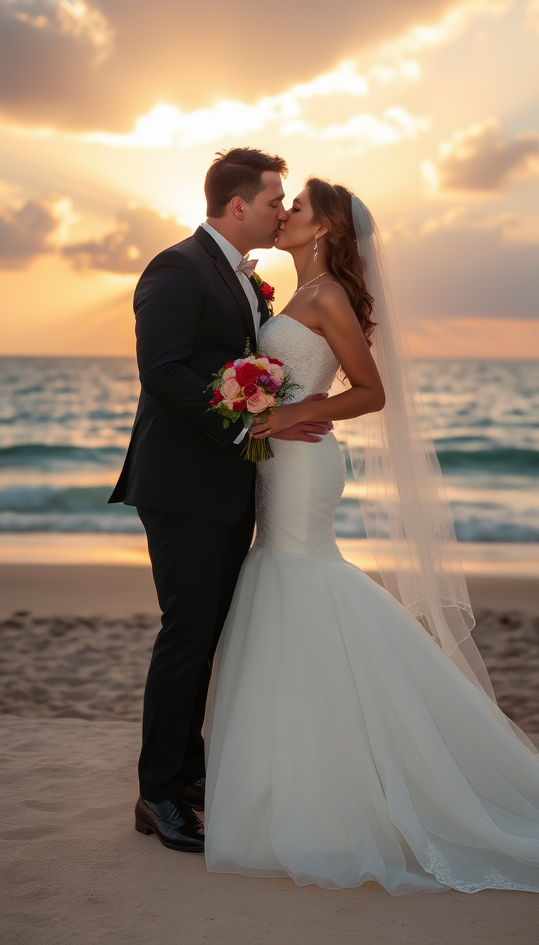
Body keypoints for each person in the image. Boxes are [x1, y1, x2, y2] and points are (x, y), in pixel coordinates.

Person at [203, 178, 539, 892]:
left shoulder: (329, 296)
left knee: (302, 577)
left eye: (298, 209)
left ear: (326, 231)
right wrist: (262, 407)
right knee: (284, 579)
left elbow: (372, 391)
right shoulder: (294, 293)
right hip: (281, 458)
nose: (285, 216)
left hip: (304, 461)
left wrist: (288, 413)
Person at [109, 149, 332, 852]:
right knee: (186, 635)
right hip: (181, 485)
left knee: (210, 634)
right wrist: (245, 421)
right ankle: (157, 794)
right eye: (274, 200)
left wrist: (276, 412)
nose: (281, 211)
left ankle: (192, 772)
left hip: (231, 483)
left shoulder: (244, 279)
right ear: (237, 206)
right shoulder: (178, 267)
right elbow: (163, 372)